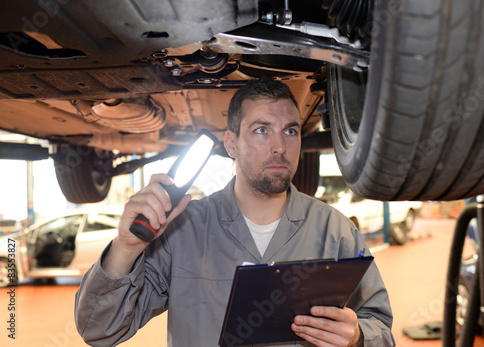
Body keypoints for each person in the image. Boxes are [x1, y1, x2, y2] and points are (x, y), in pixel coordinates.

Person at [75, 78, 395, 346]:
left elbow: (380, 326)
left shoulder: (335, 230)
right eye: (261, 130)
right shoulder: (183, 230)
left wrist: (358, 337)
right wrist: (125, 248)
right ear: (231, 144)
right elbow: (99, 329)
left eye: (290, 131)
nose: (280, 147)